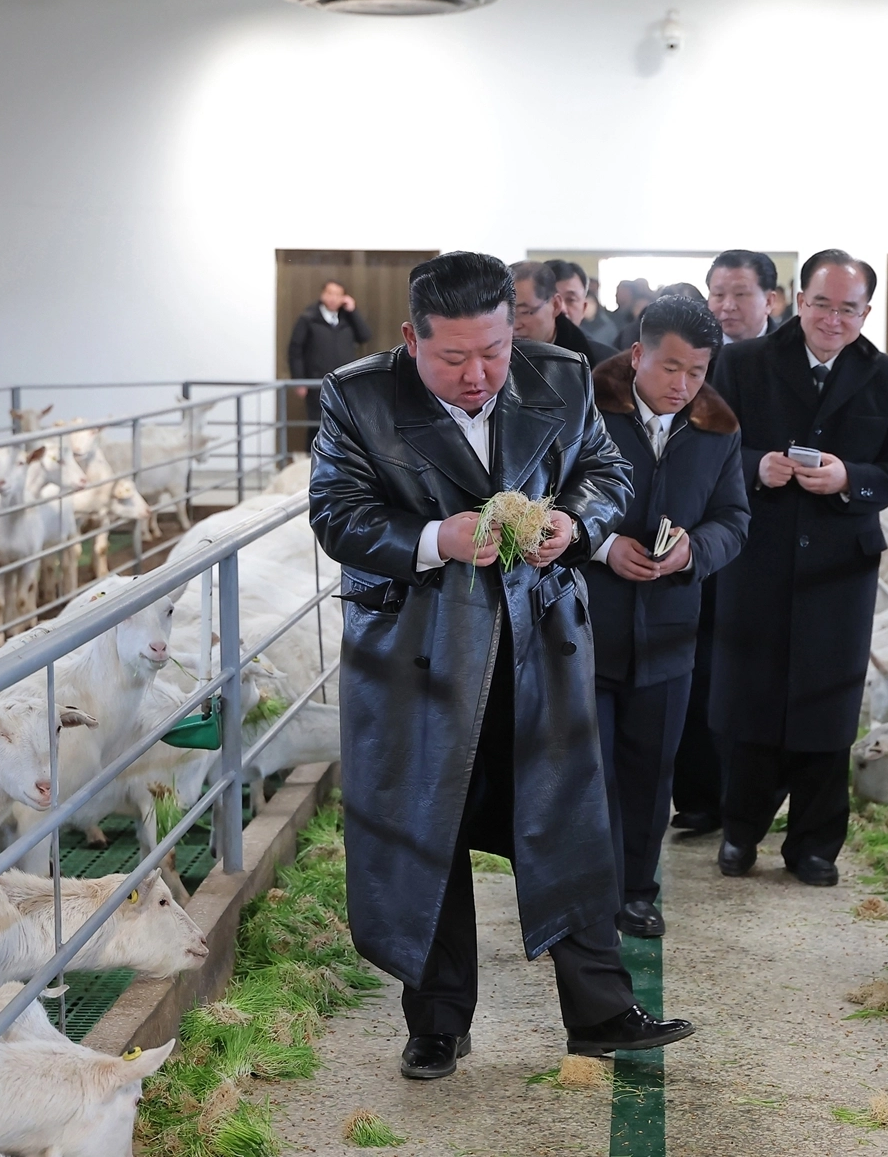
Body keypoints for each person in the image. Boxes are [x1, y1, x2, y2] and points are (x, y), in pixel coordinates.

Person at [308, 251, 696, 1081]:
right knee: (426, 830)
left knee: (569, 821)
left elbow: (605, 470)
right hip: (420, 654)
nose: (479, 374)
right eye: (453, 358)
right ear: (412, 338)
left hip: (539, 645)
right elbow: (336, 514)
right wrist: (432, 539)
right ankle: (437, 1022)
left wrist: (578, 527)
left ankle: (602, 1013)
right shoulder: (357, 395)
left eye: (493, 352)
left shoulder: (560, 374)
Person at [709, 252, 888, 886]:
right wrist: (755, 466)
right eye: (821, 304)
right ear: (798, 300)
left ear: (866, 313)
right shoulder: (743, 362)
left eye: (847, 308)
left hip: (839, 566)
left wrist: (850, 477)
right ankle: (740, 832)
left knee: (828, 704)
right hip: (758, 554)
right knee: (750, 694)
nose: (833, 319)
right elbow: (709, 440)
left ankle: (814, 844)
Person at [583, 297, 749, 938]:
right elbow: (542, 497)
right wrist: (602, 545)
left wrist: (692, 552)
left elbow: (734, 520)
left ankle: (637, 891)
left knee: (652, 771)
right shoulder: (583, 411)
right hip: (585, 629)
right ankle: (584, 897)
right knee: (587, 771)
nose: (683, 386)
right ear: (637, 356)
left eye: (698, 372)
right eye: (670, 367)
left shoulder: (718, 431)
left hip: (671, 632)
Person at [667, 248, 782, 836]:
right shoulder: (690, 356)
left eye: (740, 294)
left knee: (748, 671)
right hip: (694, 535)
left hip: (763, 542)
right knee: (694, 664)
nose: (727, 306)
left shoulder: (787, 363)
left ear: (772, 301)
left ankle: (747, 799)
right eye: (717, 294)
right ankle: (699, 797)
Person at [287, 279, 372, 442]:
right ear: (322, 295)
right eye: (329, 293)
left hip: (344, 382)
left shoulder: (348, 318)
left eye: (338, 294)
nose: (333, 298)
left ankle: (342, 463)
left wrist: (353, 311)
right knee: (317, 424)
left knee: (345, 424)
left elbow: (365, 336)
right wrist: (299, 380)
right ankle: (313, 461)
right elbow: (295, 350)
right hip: (317, 382)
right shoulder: (308, 318)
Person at [512, 260, 615, 364]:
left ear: (555, 305)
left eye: (524, 312)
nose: (563, 309)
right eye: (509, 313)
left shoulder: (604, 363)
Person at [578, 273, 620, 349]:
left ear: (597, 305)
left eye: (591, 303)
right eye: (584, 304)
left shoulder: (608, 327)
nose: (588, 308)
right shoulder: (575, 327)